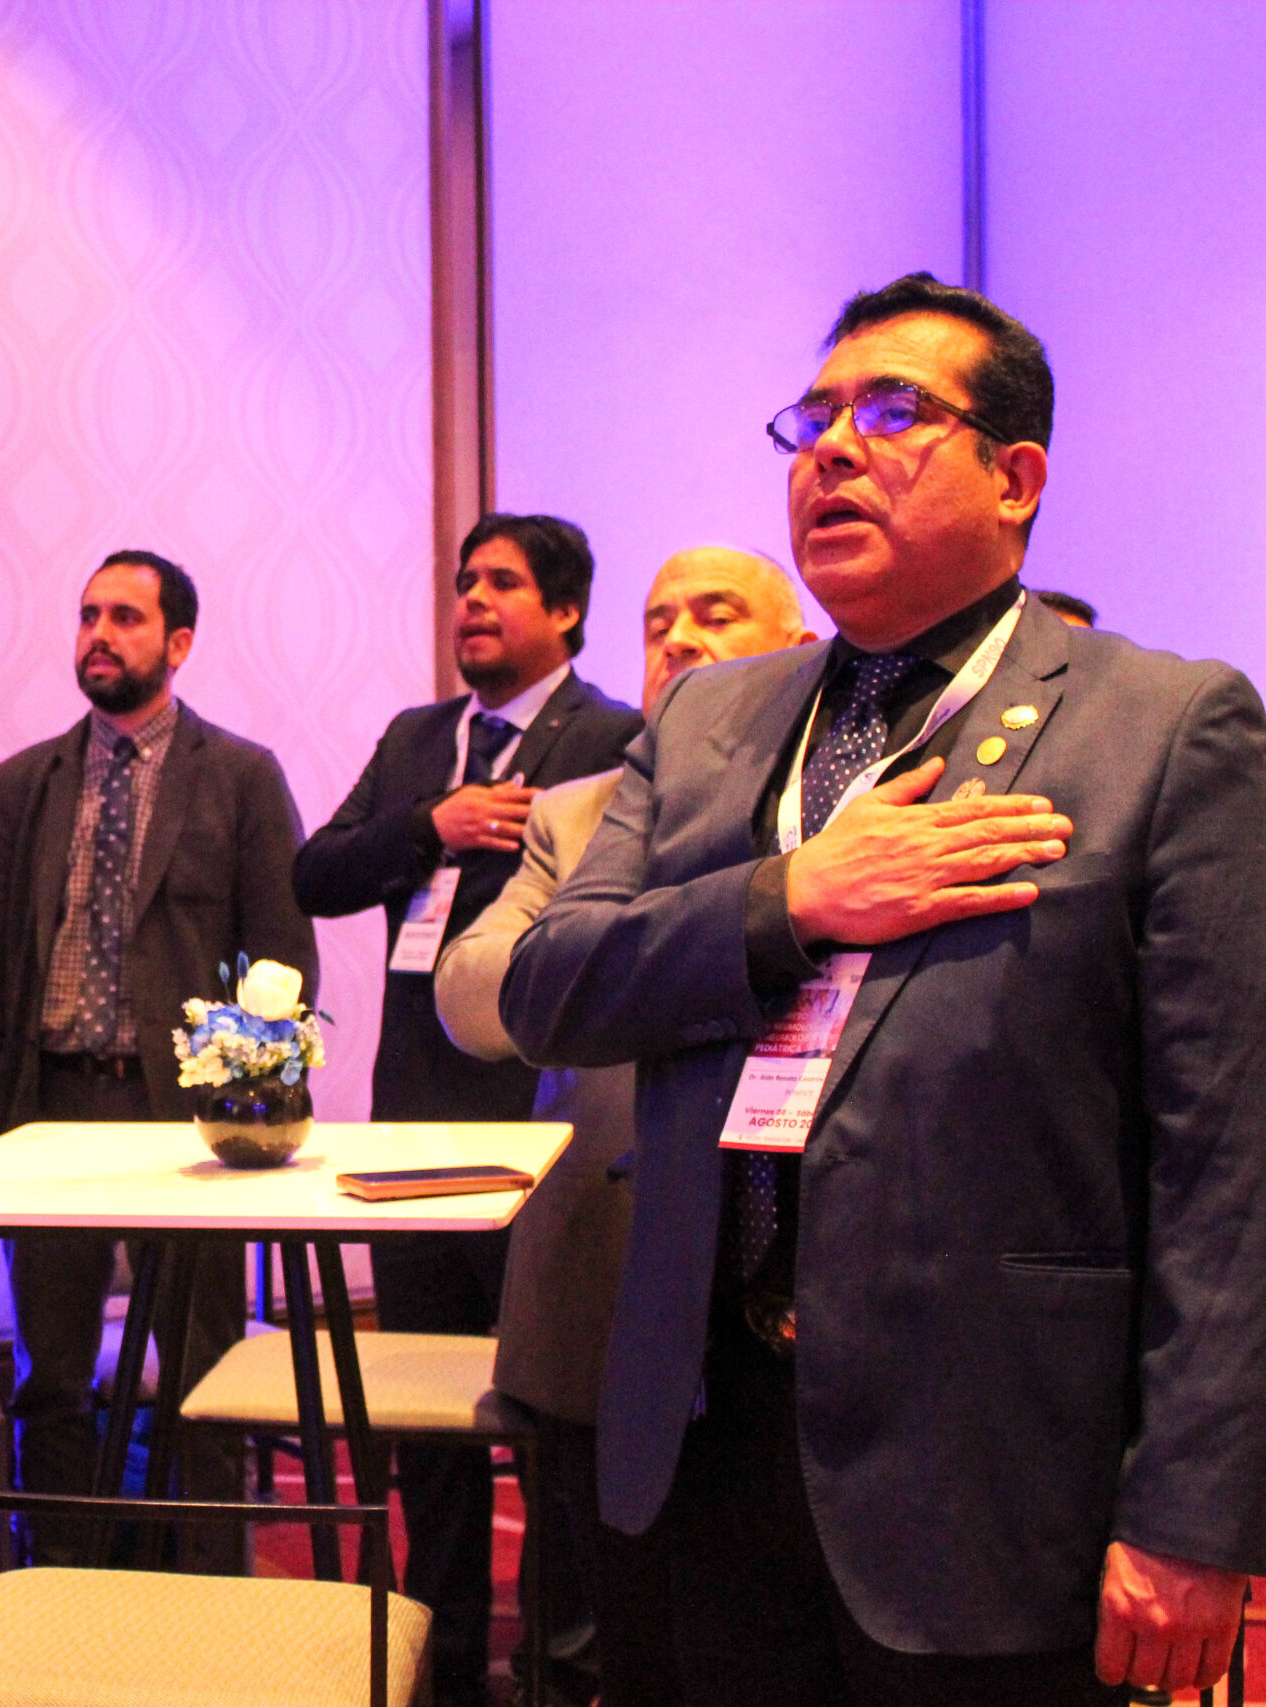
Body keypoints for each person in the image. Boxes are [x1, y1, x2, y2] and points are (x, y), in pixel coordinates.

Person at [503, 273, 1266, 1705]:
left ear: (1016, 478)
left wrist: (1196, 1510)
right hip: (711, 1436)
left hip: (995, 1471)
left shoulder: (1164, 727)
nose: (834, 449)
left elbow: (1229, 1160)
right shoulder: (709, 717)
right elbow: (550, 987)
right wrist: (791, 898)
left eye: (896, 411)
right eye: (813, 420)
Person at [435, 546, 815, 1707]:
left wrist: (600, 972)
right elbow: (472, 992)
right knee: (597, 1637)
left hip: (801, 1296)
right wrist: (678, 957)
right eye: (658, 622)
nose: (679, 639)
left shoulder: (842, 815)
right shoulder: (581, 814)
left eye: (716, 614)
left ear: (798, 648)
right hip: (600, 1275)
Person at [291, 512, 642, 1705]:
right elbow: (316, 872)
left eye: (501, 583)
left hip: (537, 1119)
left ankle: (556, 1661)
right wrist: (425, 827)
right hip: (411, 1115)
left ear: (566, 611)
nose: (472, 602)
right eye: (463, 583)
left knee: (545, 1411)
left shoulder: (613, 736)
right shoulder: (415, 737)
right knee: (423, 1414)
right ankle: (437, 1654)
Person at [0, 548, 318, 1570]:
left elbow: (282, 956)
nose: (98, 635)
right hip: (52, 1110)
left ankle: (207, 1585)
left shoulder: (239, 775)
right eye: (88, 615)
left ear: (178, 642)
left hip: (188, 1119)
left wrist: (259, 1115)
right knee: (52, 1376)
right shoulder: (26, 780)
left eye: (124, 617)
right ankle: (62, 1581)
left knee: (202, 1369)